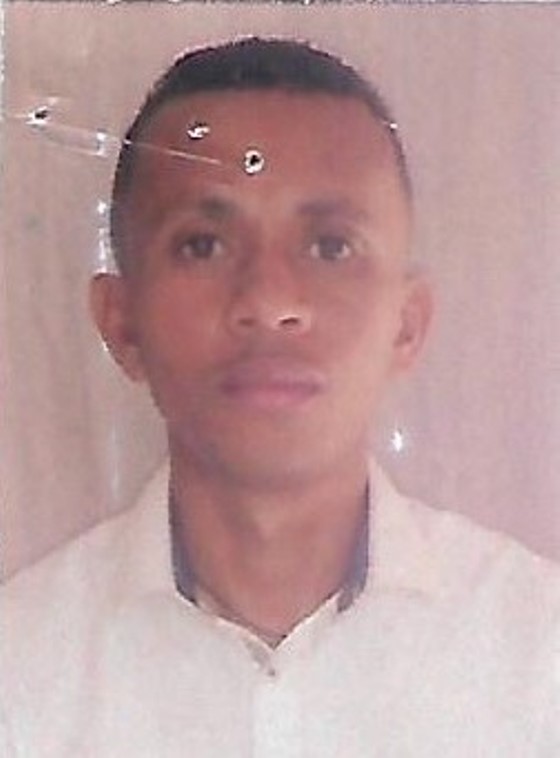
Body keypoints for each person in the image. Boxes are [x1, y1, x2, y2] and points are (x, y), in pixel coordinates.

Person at [1, 37, 559, 757]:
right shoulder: (21, 670)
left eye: (330, 246)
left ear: (407, 324)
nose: (269, 303)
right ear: (122, 322)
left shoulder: (537, 658)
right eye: (203, 245)